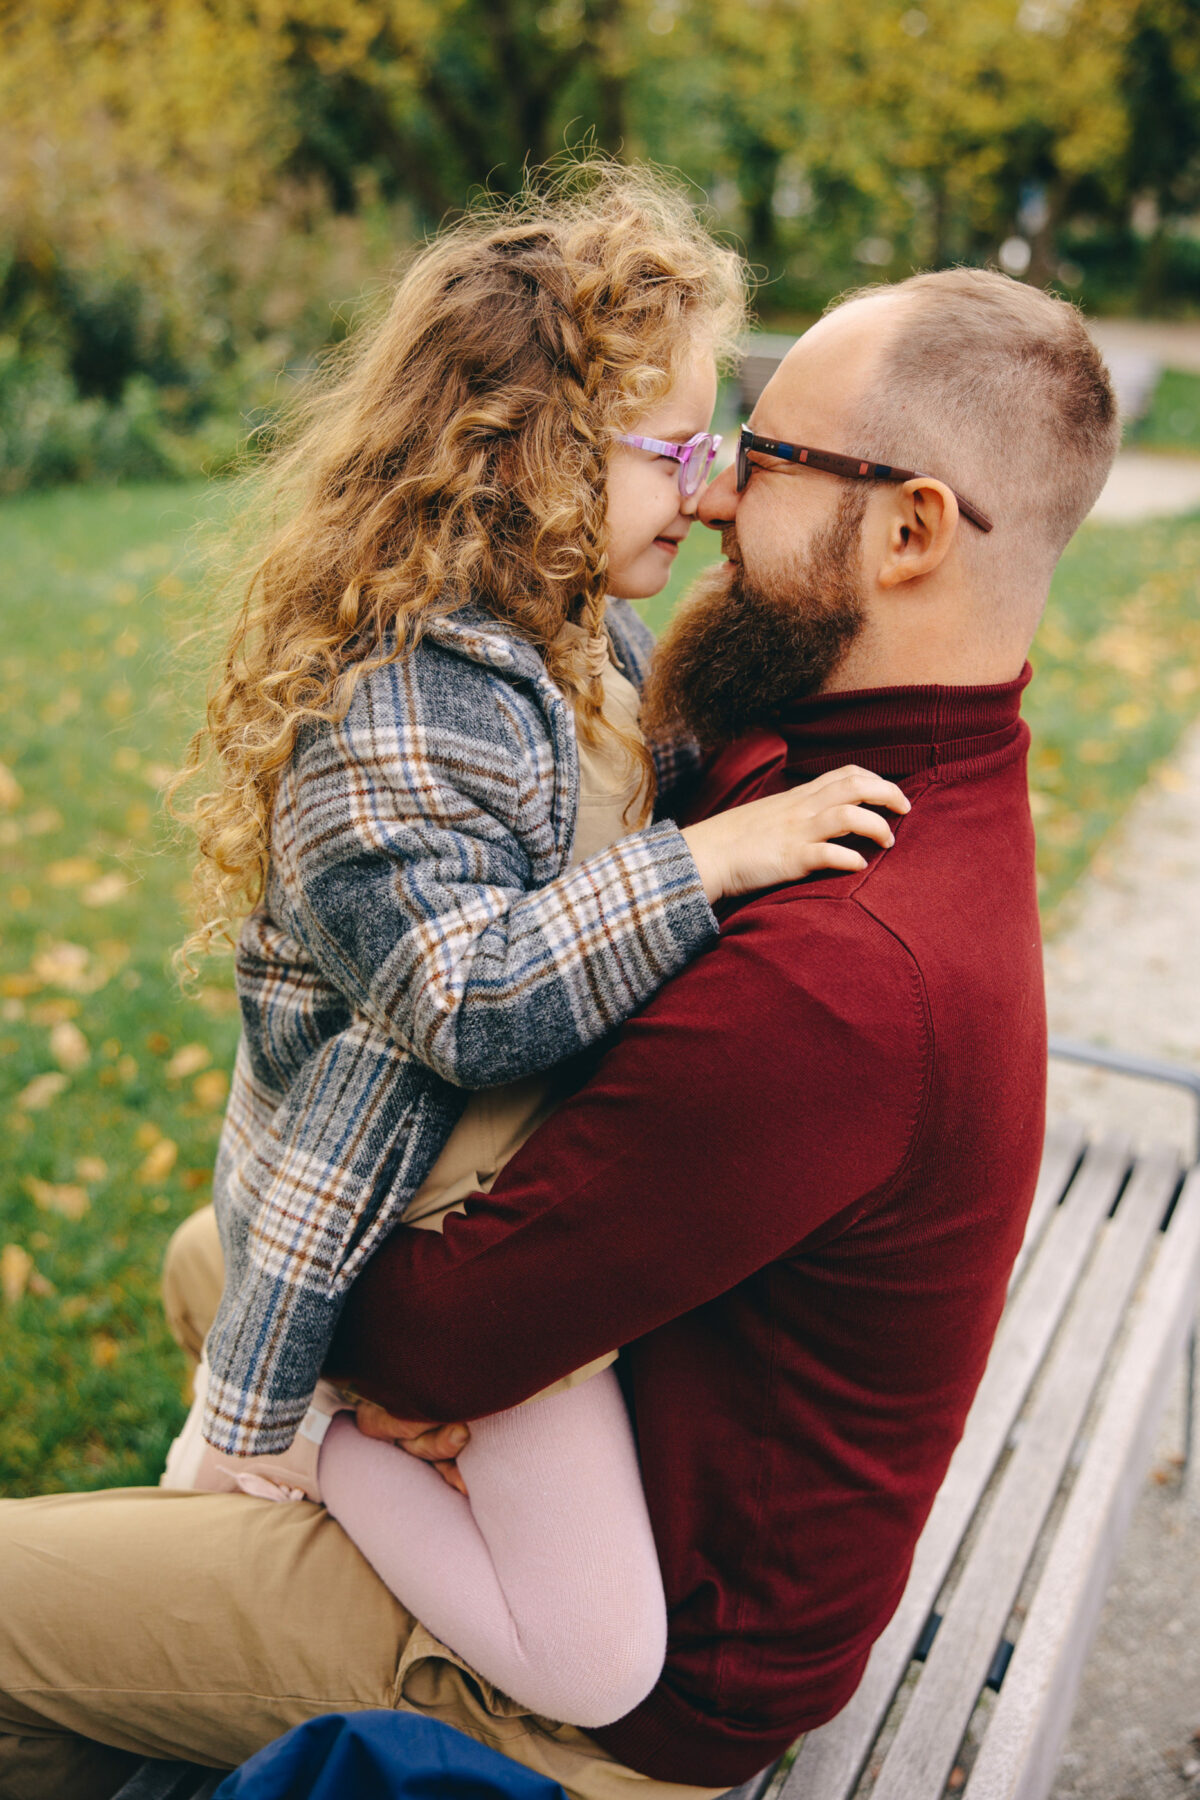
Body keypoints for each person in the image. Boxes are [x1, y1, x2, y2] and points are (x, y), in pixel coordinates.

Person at [0, 264, 1119, 1800]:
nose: (718, 498)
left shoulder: (845, 970)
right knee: (219, 1260)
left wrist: (388, 1401)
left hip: (626, 1688)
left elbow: (426, 1344)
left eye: (771, 458)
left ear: (914, 528)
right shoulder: (884, 768)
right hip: (630, 1457)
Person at [155, 160, 910, 1733]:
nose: (707, 490)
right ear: (526, 456)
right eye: (677, 449)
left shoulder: (574, 633)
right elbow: (461, 993)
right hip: (420, 1214)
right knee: (595, 1658)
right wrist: (706, 865)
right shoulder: (398, 708)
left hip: (503, 1209)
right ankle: (307, 1440)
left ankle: (320, 1433)